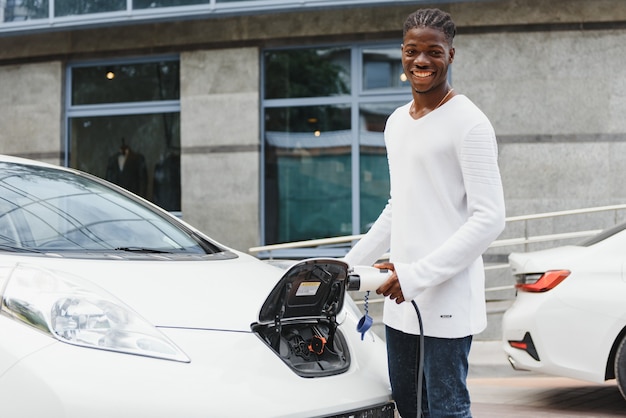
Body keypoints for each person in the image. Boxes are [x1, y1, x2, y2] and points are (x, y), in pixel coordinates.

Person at [343, 8, 505, 418]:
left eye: (433, 52)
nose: (421, 61)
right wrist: (345, 266)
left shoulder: (470, 123)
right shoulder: (396, 123)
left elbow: (490, 218)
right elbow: (399, 208)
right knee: (409, 408)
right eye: (413, 51)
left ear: (451, 55)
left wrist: (416, 276)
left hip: (446, 300)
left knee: (445, 411)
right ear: (401, 53)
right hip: (401, 301)